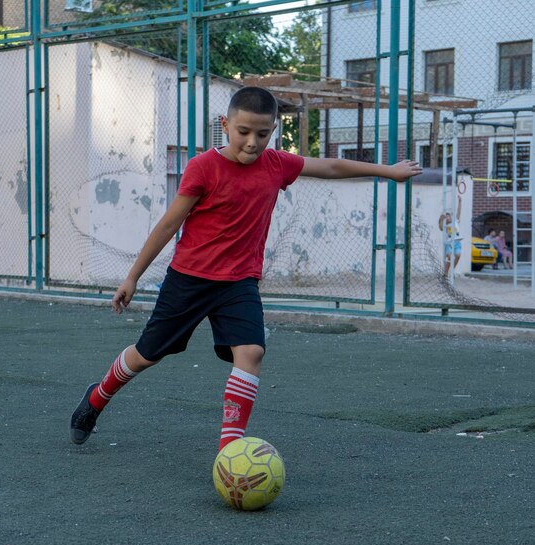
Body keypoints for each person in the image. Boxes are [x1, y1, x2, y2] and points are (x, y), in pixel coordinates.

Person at [69, 86, 423, 452]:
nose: (253, 142)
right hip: (189, 280)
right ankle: (96, 398)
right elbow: (168, 225)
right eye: (244, 132)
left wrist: (389, 171)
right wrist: (132, 277)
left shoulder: (277, 165)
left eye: (262, 133)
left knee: (251, 352)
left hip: (239, 283)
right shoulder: (203, 167)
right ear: (225, 125)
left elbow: (331, 166)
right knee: (146, 355)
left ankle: (230, 452)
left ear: (273, 131)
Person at [438, 195, 463, 276]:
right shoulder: (445, 225)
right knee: (449, 256)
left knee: (458, 255)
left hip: (457, 242)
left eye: (449, 216)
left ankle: (452, 270)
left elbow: (459, 212)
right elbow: (441, 228)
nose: (448, 217)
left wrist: (460, 201)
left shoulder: (455, 221)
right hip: (449, 243)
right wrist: (441, 219)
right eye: (447, 216)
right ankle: (445, 272)